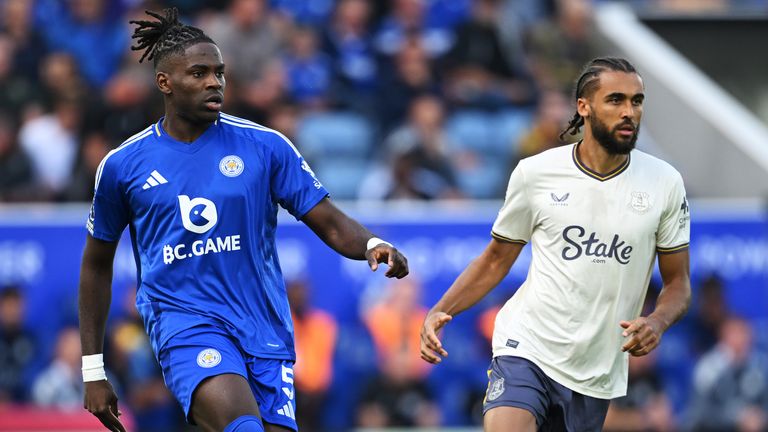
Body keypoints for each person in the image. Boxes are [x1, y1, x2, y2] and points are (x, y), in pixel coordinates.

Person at [78, 8, 408, 432]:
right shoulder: (124, 165)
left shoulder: (265, 147)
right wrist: (93, 369)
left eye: (219, 72)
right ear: (165, 83)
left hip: (262, 326)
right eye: (199, 73)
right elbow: (95, 263)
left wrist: (368, 245)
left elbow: (325, 218)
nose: (214, 82)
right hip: (185, 324)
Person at [420, 57, 691, 432]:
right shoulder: (536, 174)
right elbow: (497, 258)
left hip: (595, 371)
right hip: (527, 345)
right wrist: (441, 309)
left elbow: (678, 283)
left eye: (637, 101)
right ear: (584, 106)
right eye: (615, 100)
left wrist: (657, 322)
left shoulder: (664, 182)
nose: (629, 112)